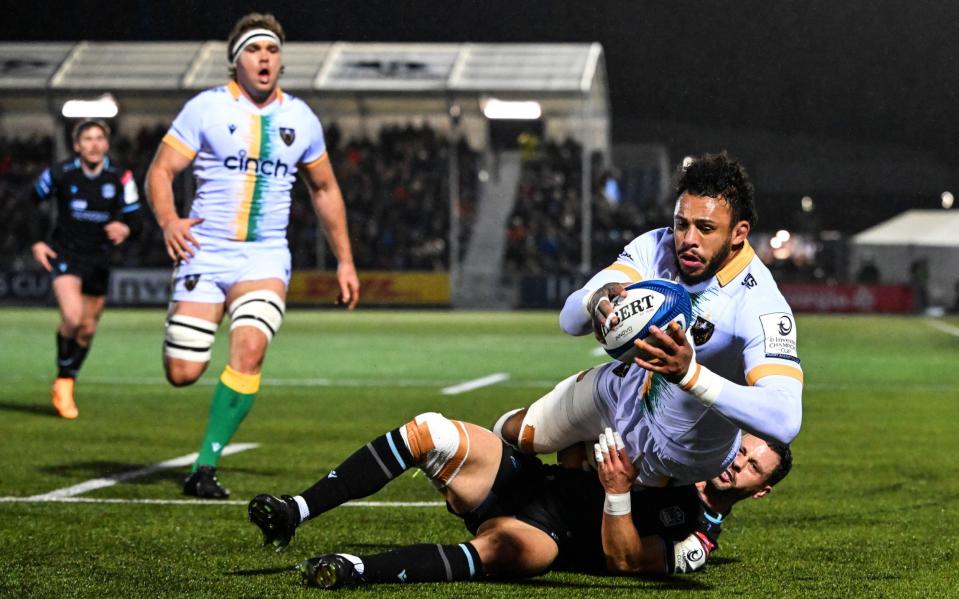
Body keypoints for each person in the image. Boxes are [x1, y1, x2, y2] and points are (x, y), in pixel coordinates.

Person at [145, 12, 360, 499]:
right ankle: (189, 319)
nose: (264, 58)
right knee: (183, 373)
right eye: (254, 50)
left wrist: (345, 260)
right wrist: (169, 221)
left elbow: (324, 189)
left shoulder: (300, 118)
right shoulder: (204, 108)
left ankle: (204, 467)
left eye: (271, 51)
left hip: (263, 259)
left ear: (280, 61)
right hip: (204, 251)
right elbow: (160, 171)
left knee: (250, 350)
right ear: (235, 60)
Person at [496, 152, 803, 487]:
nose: (688, 240)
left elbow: (785, 418)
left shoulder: (761, 303)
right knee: (515, 433)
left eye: (706, 228)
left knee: (587, 503)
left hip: (684, 450)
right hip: (621, 389)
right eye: (681, 223)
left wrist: (690, 375)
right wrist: (594, 299)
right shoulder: (656, 247)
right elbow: (570, 321)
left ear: (738, 233)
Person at [246, 412, 791, 588]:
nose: (737, 463)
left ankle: (353, 570)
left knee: (506, 549)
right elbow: (581, 442)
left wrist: (619, 492)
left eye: (751, 468)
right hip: (527, 481)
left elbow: (625, 558)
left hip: (549, 537)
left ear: (760, 490)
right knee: (428, 431)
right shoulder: (679, 445)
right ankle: (295, 510)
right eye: (743, 450)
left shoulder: (699, 539)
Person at [29, 119, 142, 419]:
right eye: (87, 139)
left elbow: (136, 217)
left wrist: (126, 228)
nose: (93, 144)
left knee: (88, 329)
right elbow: (32, 202)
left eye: (99, 139)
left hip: (100, 259)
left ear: (106, 144)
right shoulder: (60, 173)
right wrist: (37, 241)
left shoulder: (121, 177)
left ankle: (68, 377)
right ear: (77, 145)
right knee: (72, 316)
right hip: (66, 253)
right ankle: (64, 382)